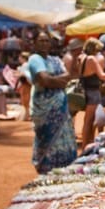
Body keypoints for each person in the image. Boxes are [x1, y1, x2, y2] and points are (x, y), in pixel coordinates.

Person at [28, 31, 76, 174]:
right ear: (35, 43)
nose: (44, 44)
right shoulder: (35, 59)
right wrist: (58, 81)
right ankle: (46, 169)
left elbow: (68, 76)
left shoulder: (54, 59)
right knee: (46, 137)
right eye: (41, 41)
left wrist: (55, 81)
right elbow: (44, 80)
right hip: (44, 109)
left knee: (63, 136)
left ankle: (63, 168)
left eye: (46, 41)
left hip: (60, 106)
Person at [78, 38, 105, 150]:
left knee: (88, 120)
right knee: (89, 121)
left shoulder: (81, 58)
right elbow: (102, 76)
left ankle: (88, 144)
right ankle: (86, 146)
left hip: (86, 90)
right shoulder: (91, 59)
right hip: (93, 92)